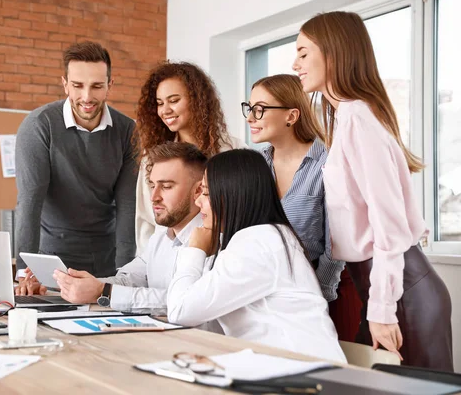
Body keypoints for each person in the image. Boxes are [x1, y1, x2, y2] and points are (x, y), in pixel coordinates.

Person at [293, 11, 453, 370]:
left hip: (402, 296)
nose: (295, 63)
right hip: (386, 294)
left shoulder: (360, 120)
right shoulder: (348, 119)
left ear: (333, 52)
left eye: (304, 53)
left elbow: (390, 230)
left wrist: (383, 310)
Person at [167, 149, 346, 363]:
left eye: (205, 192)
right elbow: (204, 314)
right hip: (290, 368)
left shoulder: (257, 243)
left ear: (231, 194)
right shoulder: (266, 237)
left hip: (300, 375)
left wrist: (194, 250)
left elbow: (180, 312)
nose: (198, 202)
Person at [14, 41, 137, 296]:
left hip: (105, 264)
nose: (87, 97)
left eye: (97, 86)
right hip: (50, 265)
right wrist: (23, 272)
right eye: (78, 85)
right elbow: (29, 203)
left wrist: (125, 275)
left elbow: (128, 208)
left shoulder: (128, 132)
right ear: (65, 84)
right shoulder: (39, 126)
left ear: (109, 86)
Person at [53, 142, 208, 314]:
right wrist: (70, 285)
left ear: (198, 190)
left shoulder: (213, 240)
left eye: (166, 187)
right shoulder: (161, 237)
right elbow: (128, 279)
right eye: (152, 185)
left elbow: (184, 300)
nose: (154, 197)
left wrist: (104, 292)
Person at [242, 74, 345, 304]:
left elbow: (334, 246)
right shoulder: (255, 166)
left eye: (259, 109)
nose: (250, 117)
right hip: (257, 294)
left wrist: (318, 296)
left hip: (311, 297)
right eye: (249, 108)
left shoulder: (328, 163)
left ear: (291, 115)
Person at [133, 61, 246, 254]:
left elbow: (244, 210)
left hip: (222, 256)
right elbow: (145, 220)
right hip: (168, 259)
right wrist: (151, 262)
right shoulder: (153, 159)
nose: (165, 110)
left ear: (197, 100)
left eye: (174, 100)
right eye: (160, 103)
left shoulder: (233, 151)